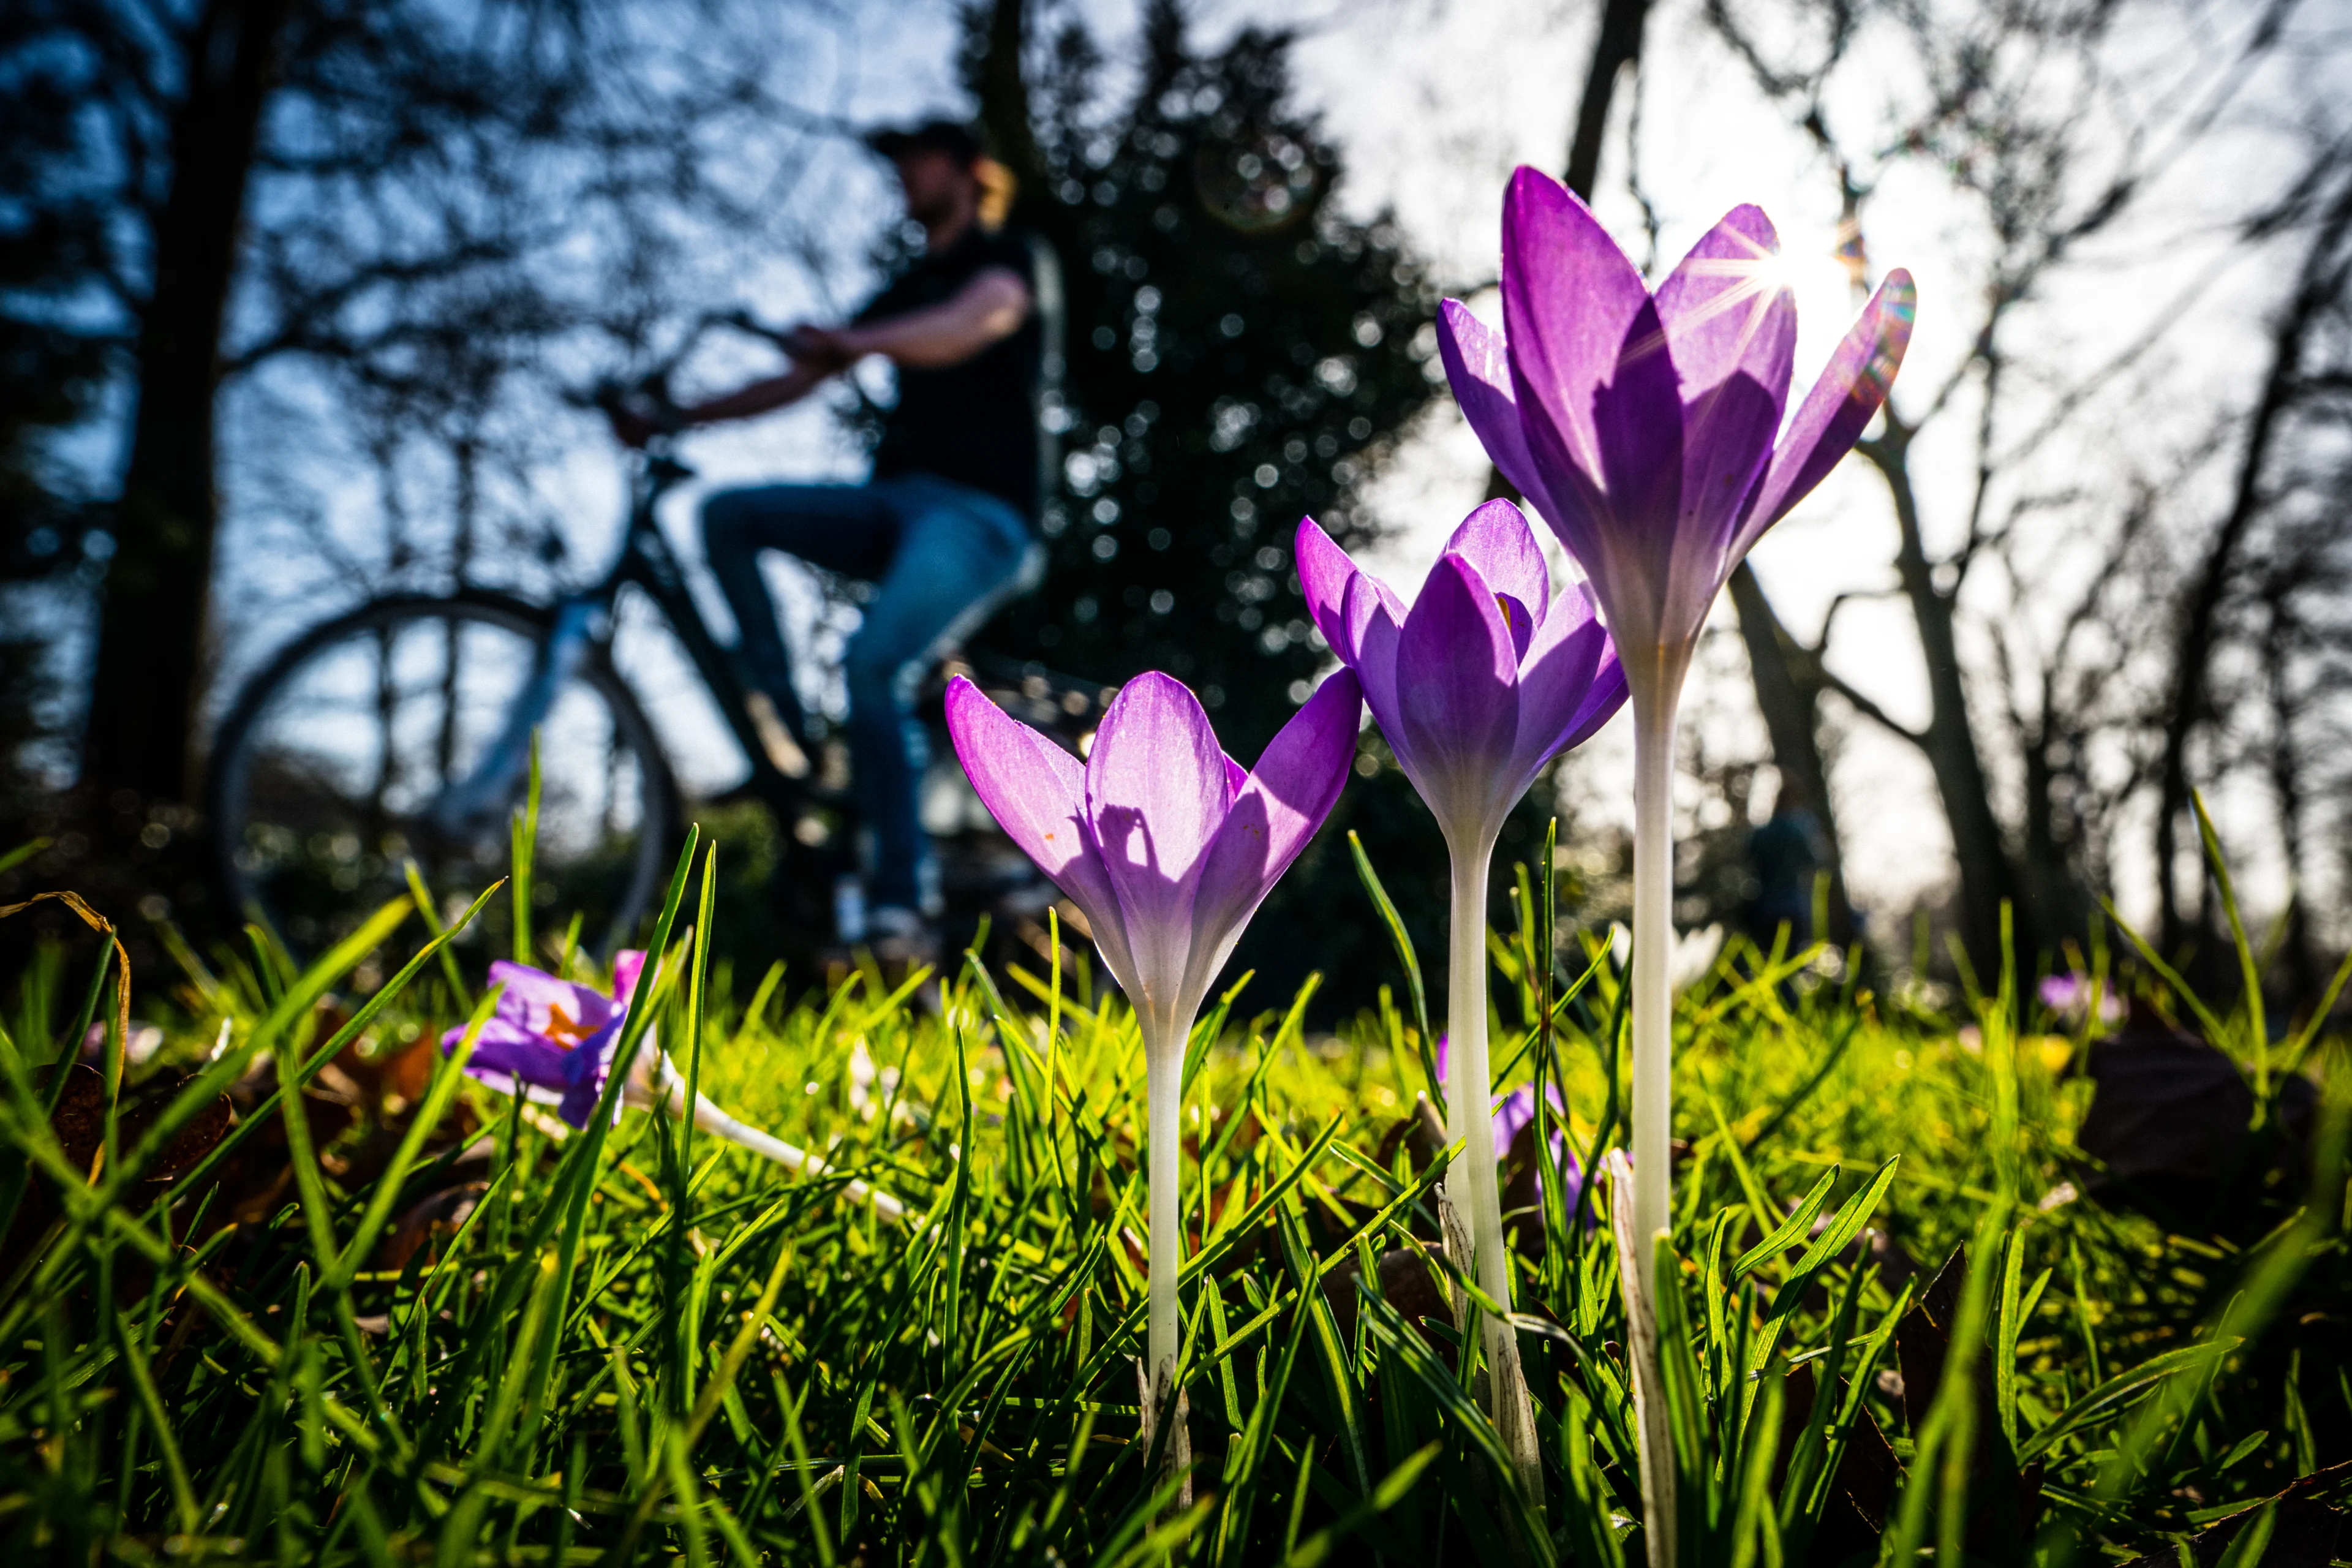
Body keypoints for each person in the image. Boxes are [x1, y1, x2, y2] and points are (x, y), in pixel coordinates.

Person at [611, 119, 1052, 959]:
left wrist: (853, 341)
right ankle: (786, 731)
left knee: (874, 664)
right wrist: (673, 416)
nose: (902, 177)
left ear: (967, 171)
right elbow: (800, 375)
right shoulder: (904, 289)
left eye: (916, 159)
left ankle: (900, 902)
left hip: (981, 515)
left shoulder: (1007, 260)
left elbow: (975, 323)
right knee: (727, 514)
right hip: (893, 505)